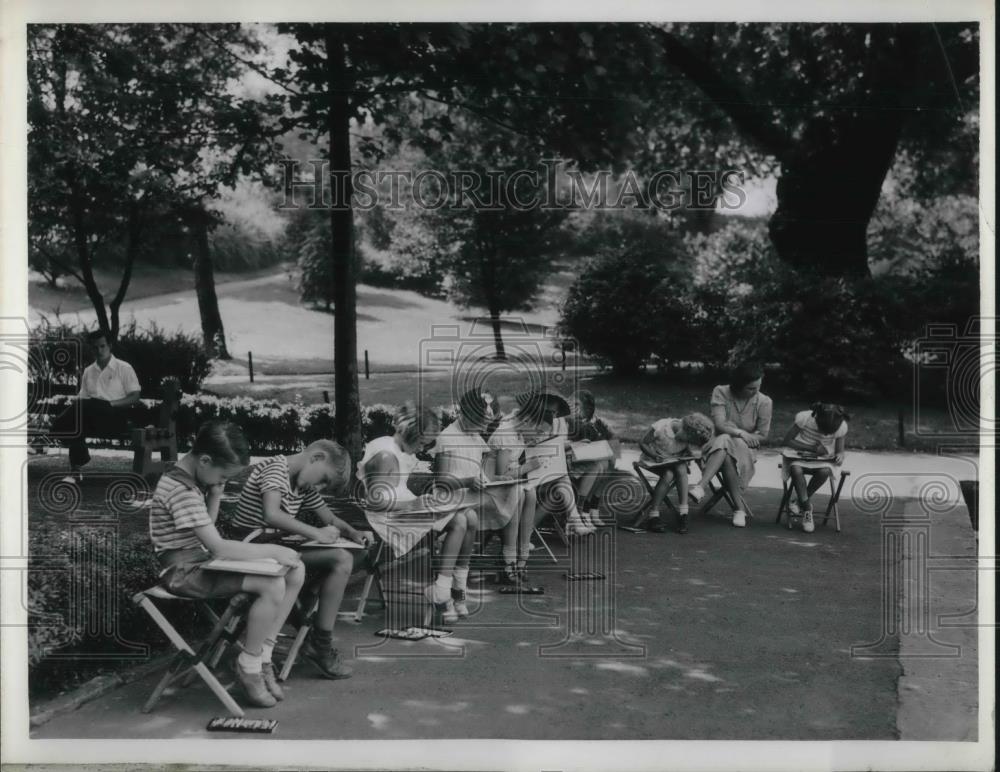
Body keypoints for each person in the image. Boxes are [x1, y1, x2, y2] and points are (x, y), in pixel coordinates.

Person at [148, 420, 305, 708]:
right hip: (180, 572)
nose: (221, 481)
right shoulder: (180, 490)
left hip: (198, 561)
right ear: (205, 460)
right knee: (271, 583)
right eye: (222, 475)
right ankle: (248, 664)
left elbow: (206, 534)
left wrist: (216, 495)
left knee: (296, 569)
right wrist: (271, 549)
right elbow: (216, 545)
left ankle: (263, 655)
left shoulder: (189, 480)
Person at [229, 439, 363, 680]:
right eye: (323, 479)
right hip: (250, 546)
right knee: (340, 560)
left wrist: (353, 532)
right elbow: (272, 514)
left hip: (274, 547)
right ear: (316, 457)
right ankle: (312, 634)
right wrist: (316, 534)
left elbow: (330, 519)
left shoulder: (303, 485)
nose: (320, 487)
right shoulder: (275, 468)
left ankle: (319, 640)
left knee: (344, 558)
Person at [358, 402, 474, 624]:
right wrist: (415, 505)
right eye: (422, 442)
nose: (423, 449)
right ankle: (442, 590)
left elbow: (396, 490)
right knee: (459, 521)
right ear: (410, 433)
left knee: (468, 516)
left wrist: (421, 502)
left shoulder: (398, 450)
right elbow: (376, 503)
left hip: (402, 508)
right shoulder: (385, 455)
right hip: (388, 517)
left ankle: (453, 587)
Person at [51, 330, 141, 483]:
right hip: (92, 419)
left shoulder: (124, 368)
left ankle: (56, 428)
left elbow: (135, 396)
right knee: (77, 420)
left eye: (102, 346)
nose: (99, 351)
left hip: (115, 417)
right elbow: (83, 398)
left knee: (72, 417)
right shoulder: (89, 371)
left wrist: (110, 404)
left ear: (110, 346)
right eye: (95, 348)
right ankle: (75, 472)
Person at [696, 362, 774, 528]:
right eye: (751, 389)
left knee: (729, 441)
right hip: (716, 444)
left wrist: (742, 437)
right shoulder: (721, 392)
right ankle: (739, 510)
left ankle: (701, 486)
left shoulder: (765, 402)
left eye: (758, 387)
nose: (756, 392)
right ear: (738, 386)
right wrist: (741, 433)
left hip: (744, 449)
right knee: (725, 440)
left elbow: (763, 435)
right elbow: (719, 424)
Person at [638, 413, 716, 534]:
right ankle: (653, 515)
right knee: (669, 474)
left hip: (672, 461)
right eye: (687, 440)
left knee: (681, 467)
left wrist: (697, 460)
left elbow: (688, 451)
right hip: (653, 459)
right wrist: (654, 456)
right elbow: (642, 443)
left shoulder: (687, 435)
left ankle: (683, 513)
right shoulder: (661, 427)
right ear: (685, 430)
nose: (685, 442)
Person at [780, 403, 850, 533]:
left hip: (822, 458)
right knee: (796, 469)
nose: (825, 434)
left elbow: (840, 451)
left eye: (829, 433)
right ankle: (807, 509)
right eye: (823, 430)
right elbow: (787, 441)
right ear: (817, 419)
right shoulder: (805, 418)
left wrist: (840, 456)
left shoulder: (841, 426)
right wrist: (812, 448)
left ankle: (799, 502)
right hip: (798, 455)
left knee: (825, 472)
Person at [565, 390, 620, 518]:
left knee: (610, 455)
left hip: (579, 455)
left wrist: (610, 437)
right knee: (601, 464)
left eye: (578, 404)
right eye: (573, 403)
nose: (574, 407)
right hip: (568, 458)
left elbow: (613, 437)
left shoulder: (593, 420)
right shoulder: (567, 419)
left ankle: (592, 504)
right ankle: (587, 506)